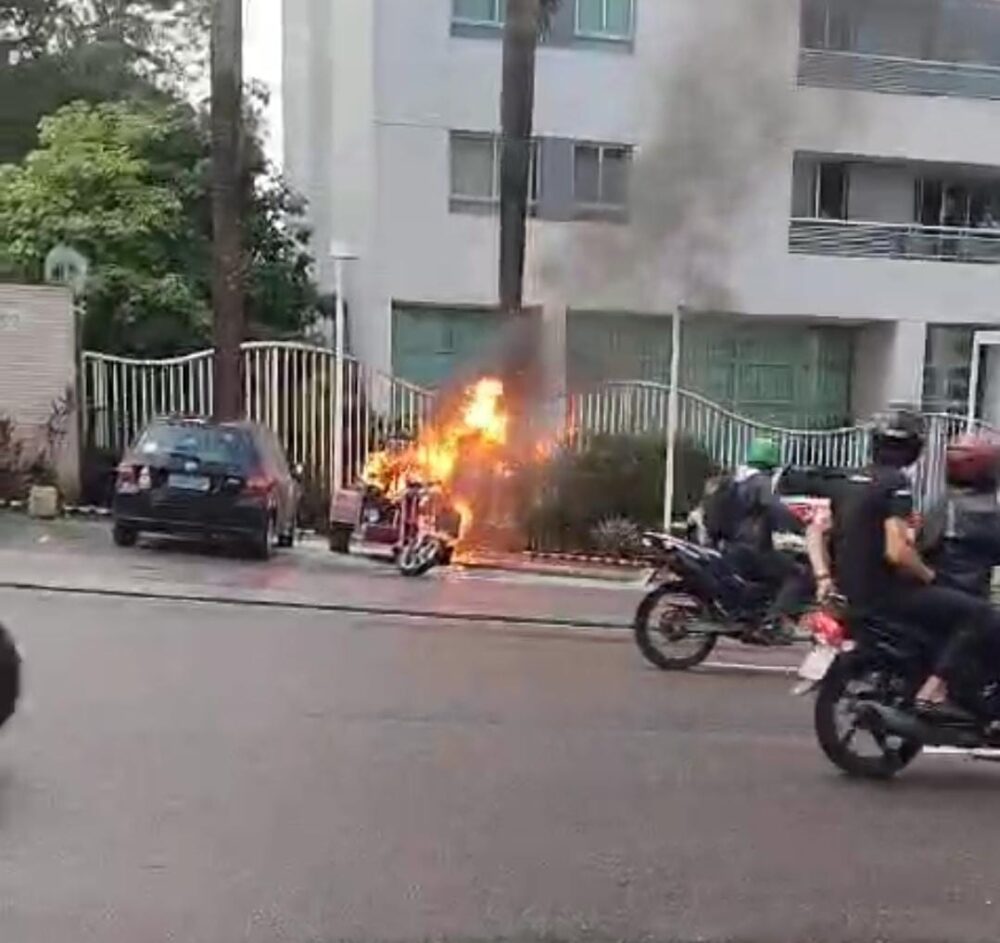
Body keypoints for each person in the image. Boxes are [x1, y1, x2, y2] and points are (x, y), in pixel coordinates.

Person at [807, 407, 997, 720]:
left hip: (849, 593)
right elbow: (897, 552)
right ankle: (935, 688)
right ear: (913, 448)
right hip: (886, 595)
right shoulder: (896, 484)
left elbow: (816, 531)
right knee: (979, 613)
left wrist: (824, 578)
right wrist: (929, 575)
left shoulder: (850, 480)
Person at [706, 437, 809, 642]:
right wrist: (802, 524)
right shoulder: (760, 482)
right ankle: (772, 622)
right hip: (750, 549)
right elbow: (775, 508)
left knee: (773, 573)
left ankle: (755, 612)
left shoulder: (733, 479)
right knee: (798, 574)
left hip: (727, 546)